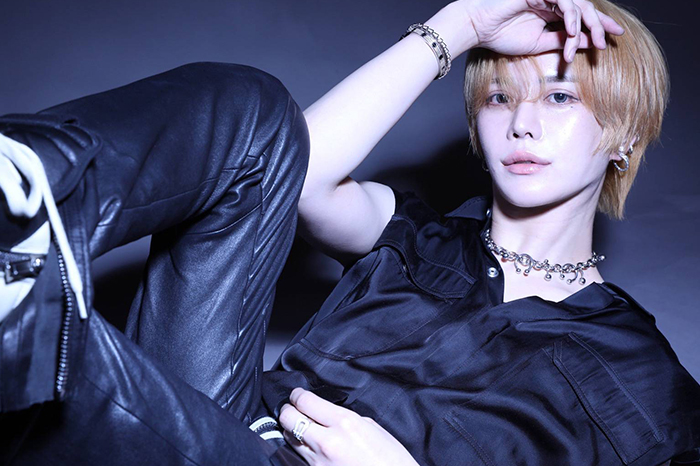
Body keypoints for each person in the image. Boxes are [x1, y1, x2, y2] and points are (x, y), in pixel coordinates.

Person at [0, 1, 698, 466]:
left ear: (624, 133)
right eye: (498, 98)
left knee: (43, 338)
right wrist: (461, 22)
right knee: (257, 111)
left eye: (560, 96)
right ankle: (26, 196)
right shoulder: (416, 240)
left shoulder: (643, 377)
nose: (521, 123)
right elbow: (294, 170)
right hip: (221, 430)